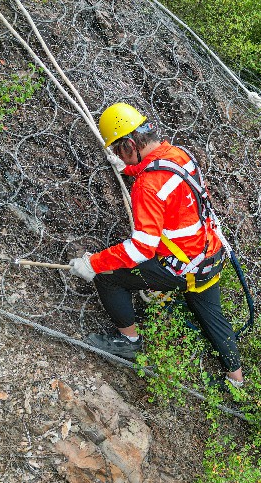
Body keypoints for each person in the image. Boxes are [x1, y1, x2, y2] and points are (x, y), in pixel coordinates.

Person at [68, 102, 243, 389]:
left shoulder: (147, 186)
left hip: (180, 268)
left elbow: (141, 248)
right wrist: (129, 168)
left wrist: (92, 263)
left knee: (108, 278)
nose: (114, 154)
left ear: (128, 144)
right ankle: (237, 381)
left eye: (116, 150)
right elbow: (165, 174)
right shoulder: (179, 154)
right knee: (213, 317)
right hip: (209, 256)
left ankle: (129, 341)